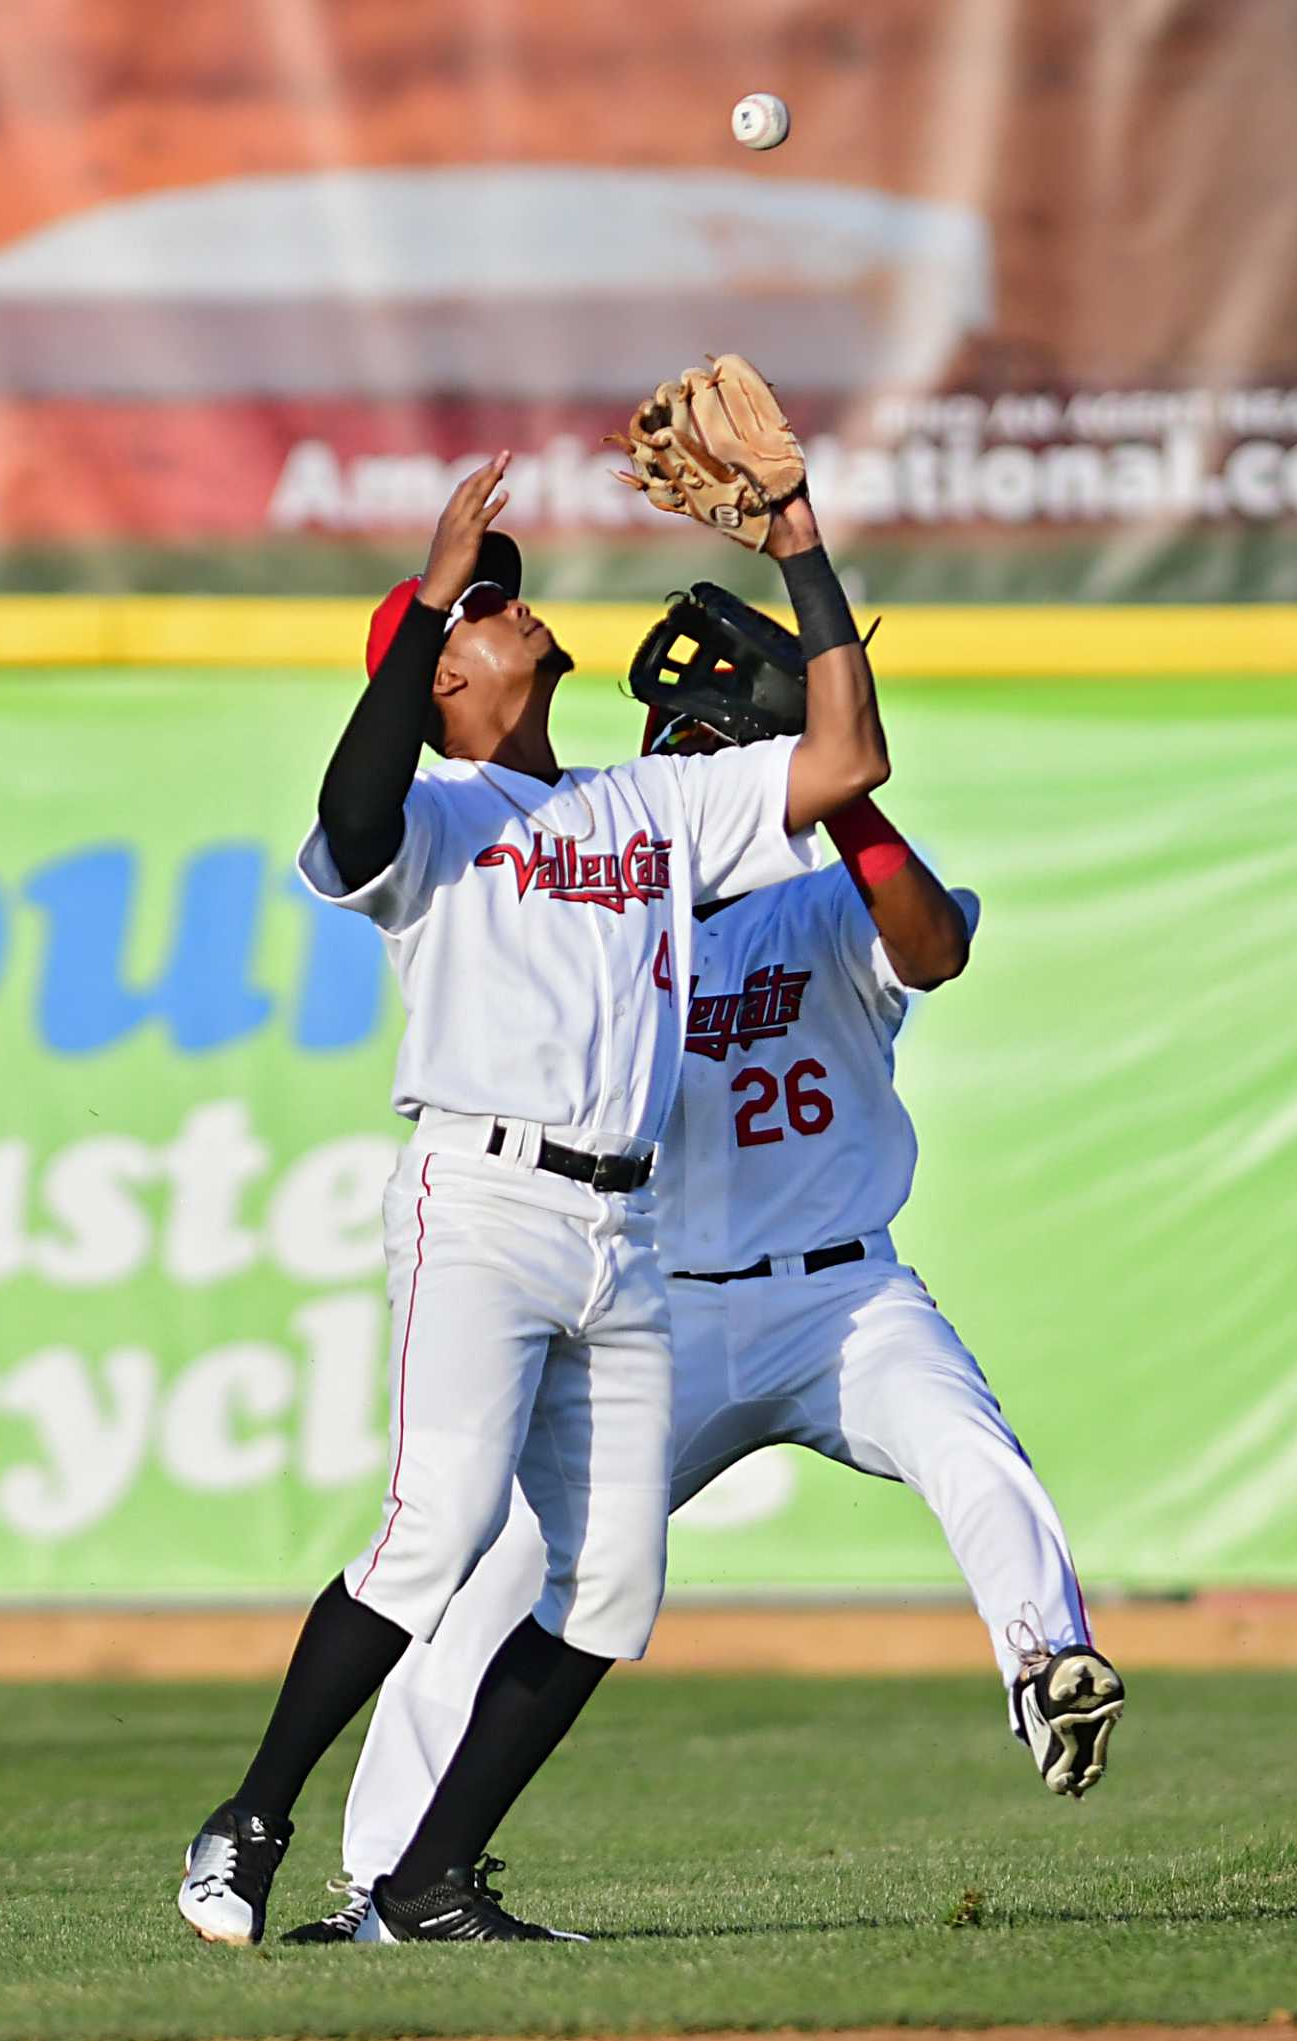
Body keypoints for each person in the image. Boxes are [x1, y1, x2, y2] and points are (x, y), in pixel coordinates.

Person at [177, 450, 893, 1946]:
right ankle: (245, 1822)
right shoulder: (432, 827)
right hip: (481, 1204)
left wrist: (800, 546)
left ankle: (430, 1882)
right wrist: (433, 588)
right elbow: (353, 809)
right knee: (432, 1532)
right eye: (482, 617)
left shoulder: (650, 806)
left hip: (623, 1235)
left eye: (501, 599)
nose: (514, 615)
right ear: (440, 682)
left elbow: (844, 764)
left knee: (611, 1585)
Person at [280, 694, 1127, 1948]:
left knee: (966, 1440)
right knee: (505, 1561)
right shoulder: (610, 922)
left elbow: (934, 946)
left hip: (841, 1295)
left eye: (717, 763)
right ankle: (386, 1880)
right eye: (678, 763)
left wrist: (842, 797)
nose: (692, 787)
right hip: (664, 1302)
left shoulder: (823, 898)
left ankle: (1046, 1663)